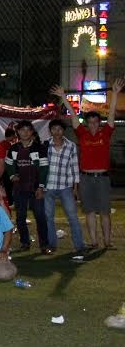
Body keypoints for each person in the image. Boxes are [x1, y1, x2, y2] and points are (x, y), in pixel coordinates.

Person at [52, 80, 120, 249]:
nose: (93, 124)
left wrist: (115, 94)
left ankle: (107, 242)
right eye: (90, 122)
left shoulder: (106, 133)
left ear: (99, 123)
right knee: (89, 211)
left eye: (96, 121)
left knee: (104, 212)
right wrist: (63, 97)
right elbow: (73, 116)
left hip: (102, 178)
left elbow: (112, 115)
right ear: (87, 123)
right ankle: (94, 242)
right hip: (86, 178)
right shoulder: (82, 134)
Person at [40, 119, 86, 254]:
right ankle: (52, 244)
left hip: (65, 186)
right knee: (48, 217)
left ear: (63, 131)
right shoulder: (44, 145)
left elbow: (74, 167)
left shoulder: (71, 146)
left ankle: (79, 246)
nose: (57, 132)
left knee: (72, 217)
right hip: (48, 186)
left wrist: (75, 188)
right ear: (50, 130)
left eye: (59, 129)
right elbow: (40, 167)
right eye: (54, 129)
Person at [4, 120, 49, 253]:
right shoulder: (13, 148)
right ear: (18, 132)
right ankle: (25, 242)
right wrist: (12, 176)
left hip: (36, 188)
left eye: (28, 130)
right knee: (20, 217)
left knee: (40, 216)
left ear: (32, 132)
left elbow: (44, 168)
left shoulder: (40, 148)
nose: (25, 133)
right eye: (22, 130)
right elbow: (8, 164)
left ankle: (44, 245)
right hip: (19, 188)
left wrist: (41, 187)